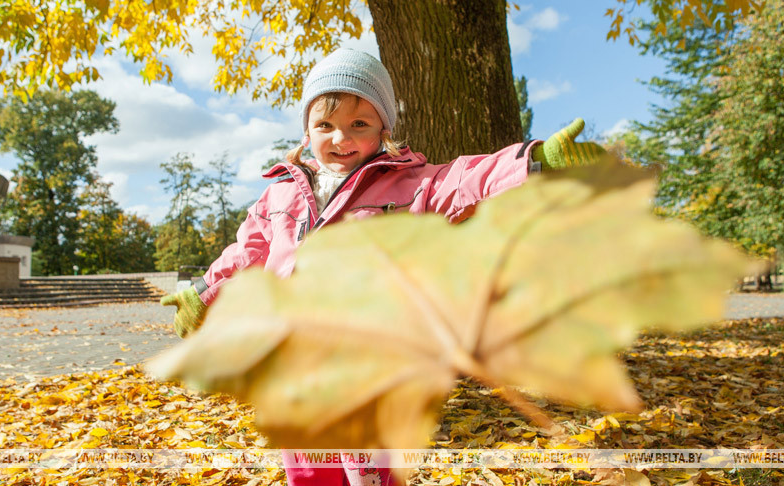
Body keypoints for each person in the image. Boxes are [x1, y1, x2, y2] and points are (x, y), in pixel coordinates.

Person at [161, 48, 605, 486]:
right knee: (309, 467)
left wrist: (536, 160)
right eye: (325, 125)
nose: (341, 138)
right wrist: (202, 294)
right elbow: (247, 251)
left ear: (383, 128)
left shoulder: (411, 183)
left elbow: (467, 179)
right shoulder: (281, 195)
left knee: (368, 465)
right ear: (306, 131)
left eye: (359, 124)